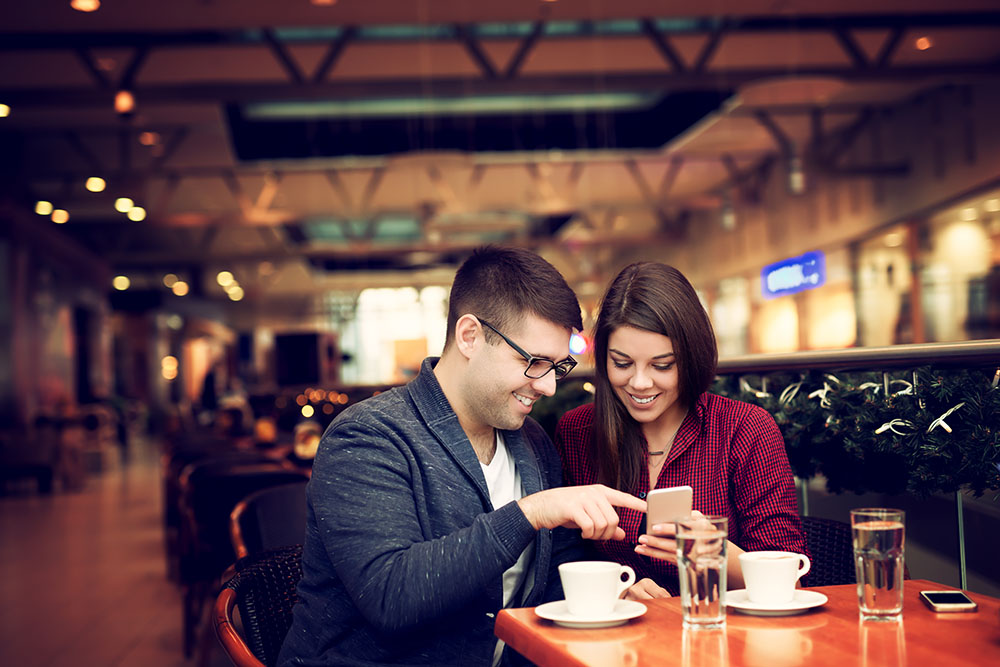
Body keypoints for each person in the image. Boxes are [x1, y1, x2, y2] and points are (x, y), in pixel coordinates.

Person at [278, 246, 646, 667]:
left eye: (557, 367)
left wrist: (612, 596)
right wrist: (529, 513)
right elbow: (392, 598)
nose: (547, 387)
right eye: (534, 362)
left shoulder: (532, 443)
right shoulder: (368, 436)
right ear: (469, 336)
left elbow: (555, 576)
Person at [555, 261, 807, 598]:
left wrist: (714, 552)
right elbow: (559, 563)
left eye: (662, 365)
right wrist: (617, 594)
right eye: (622, 363)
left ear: (690, 357)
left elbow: (790, 583)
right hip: (616, 641)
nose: (640, 383)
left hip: (724, 637)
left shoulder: (745, 429)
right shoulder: (577, 433)